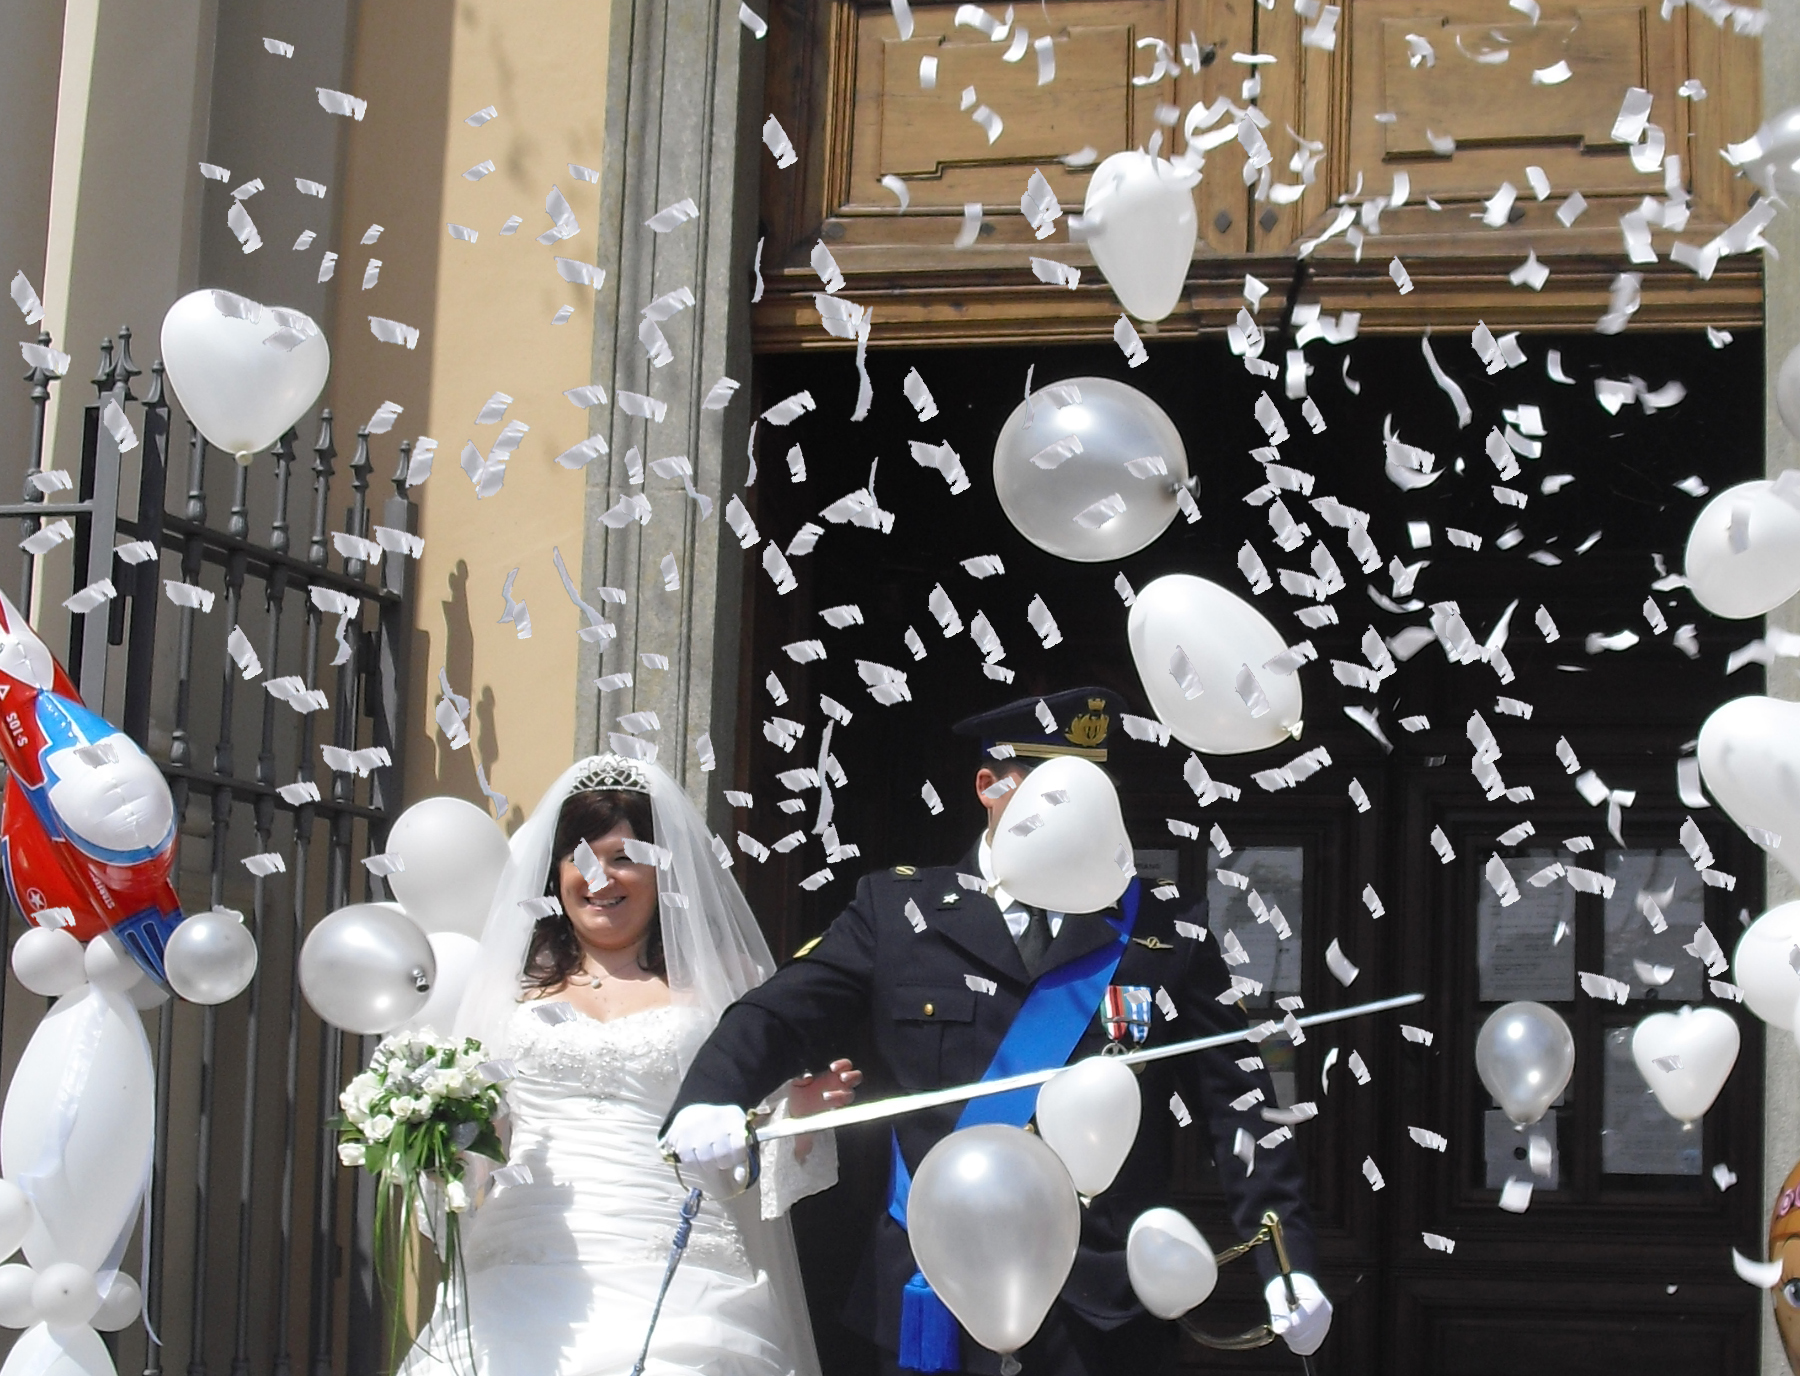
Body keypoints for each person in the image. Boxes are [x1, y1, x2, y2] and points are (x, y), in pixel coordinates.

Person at [661, 689, 1333, 1376]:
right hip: (931, 1280)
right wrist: (713, 1095)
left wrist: (1287, 1261)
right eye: (1048, 789)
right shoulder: (899, 911)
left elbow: (1238, 1104)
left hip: (1101, 1301)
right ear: (987, 787)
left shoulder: (1165, 931)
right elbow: (779, 1014)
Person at [400, 752, 861, 1376]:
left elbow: (749, 1159)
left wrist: (797, 1113)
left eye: (623, 859)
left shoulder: (729, 987)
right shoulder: (509, 988)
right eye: (581, 859)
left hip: (679, 1259)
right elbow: (480, 1139)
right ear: (555, 871)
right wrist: (440, 1138)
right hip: (521, 1255)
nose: (600, 879)